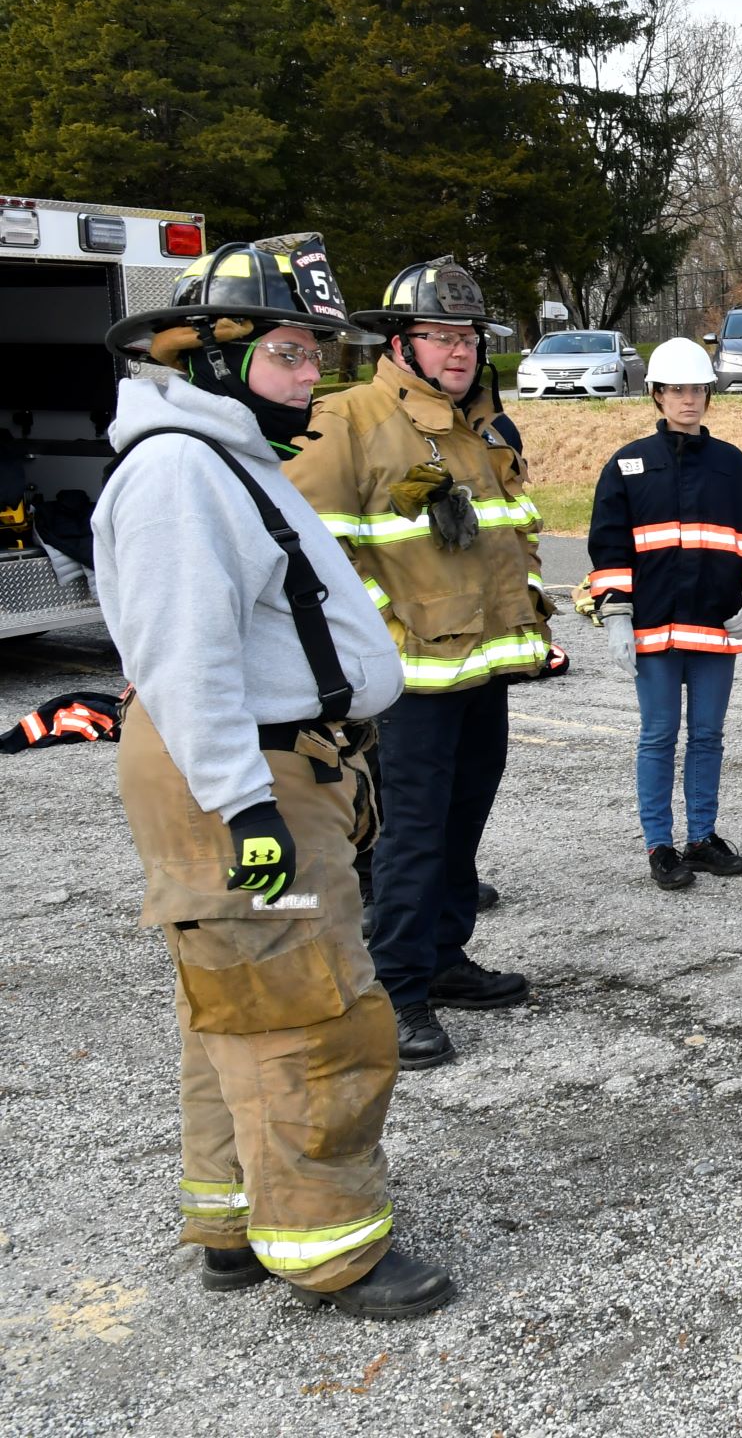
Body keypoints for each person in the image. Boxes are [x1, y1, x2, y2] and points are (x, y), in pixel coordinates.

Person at [93, 239, 455, 1317]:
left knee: (238, 1007)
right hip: (243, 773)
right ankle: (327, 1245)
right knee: (310, 1010)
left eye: (314, 357)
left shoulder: (223, 461)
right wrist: (245, 802)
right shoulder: (176, 471)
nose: (313, 378)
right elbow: (183, 654)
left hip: (271, 763)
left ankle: (233, 1219)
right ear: (210, 358)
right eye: (293, 355)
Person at [288, 258, 547, 1070]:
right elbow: (310, 553)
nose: (459, 351)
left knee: (462, 826)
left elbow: (512, 534)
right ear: (398, 343)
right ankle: (396, 991)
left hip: (483, 669)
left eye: (467, 336)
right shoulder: (349, 421)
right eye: (438, 336)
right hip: (412, 682)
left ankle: (443, 958)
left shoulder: (481, 425)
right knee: (410, 837)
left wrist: (530, 619)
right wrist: (377, 641)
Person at [582, 337, 742, 891]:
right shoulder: (627, 464)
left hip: (714, 626)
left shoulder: (734, 467)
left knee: (709, 736)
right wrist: (616, 613)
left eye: (697, 389)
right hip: (651, 628)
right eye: (677, 390)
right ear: (657, 395)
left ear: (708, 395)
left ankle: (701, 838)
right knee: (658, 735)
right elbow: (610, 544)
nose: (688, 399)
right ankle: (660, 845)